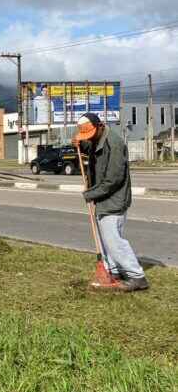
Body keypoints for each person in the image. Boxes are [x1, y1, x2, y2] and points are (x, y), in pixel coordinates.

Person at [74, 113, 149, 292]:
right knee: (106, 239)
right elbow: (93, 149)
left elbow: (113, 179)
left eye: (90, 135)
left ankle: (137, 276)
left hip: (114, 197)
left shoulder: (114, 144)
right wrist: (81, 144)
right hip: (104, 197)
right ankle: (113, 271)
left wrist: (90, 194)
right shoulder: (98, 139)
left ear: (100, 126)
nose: (89, 139)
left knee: (114, 240)